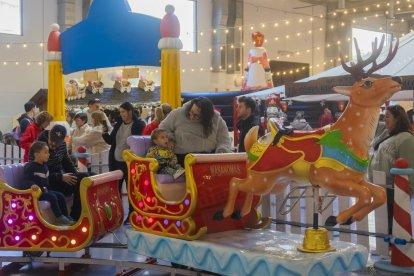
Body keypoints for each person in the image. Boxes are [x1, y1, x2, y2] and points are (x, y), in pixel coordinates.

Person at [367, 104, 414, 235]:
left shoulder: (406, 138)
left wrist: (410, 188)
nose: (385, 119)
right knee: (384, 220)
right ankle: (387, 246)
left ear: (397, 118)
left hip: (395, 188)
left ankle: (393, 247)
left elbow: (410, 165)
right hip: (381, 186)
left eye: (387, 116)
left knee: (393, 221)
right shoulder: (387, 134)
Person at [31, 124, 91, 221]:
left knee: (89, 176)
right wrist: (60, 177)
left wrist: (75, 173)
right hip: (50, 182)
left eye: (58, 142)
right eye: (52, 140)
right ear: (49, 133)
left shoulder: (62, 144)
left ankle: (82, 213)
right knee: (82, 179)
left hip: (60, 177)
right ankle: (75, 215)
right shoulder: (38, 147)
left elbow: (66, 161)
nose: (54, 144)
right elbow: (38, 173)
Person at [102, 101, 146, 225]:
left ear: (130, 111)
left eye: (124, 112)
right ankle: (117, 213)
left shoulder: (139, 124)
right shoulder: (118, 124)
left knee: (131, 189)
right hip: (116, 161)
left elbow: (140, 143)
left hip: (130, 162)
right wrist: (104, 133)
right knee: (115, 189)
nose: (122, 114)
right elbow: (111, 141)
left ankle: (132, 214)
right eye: (120, 112)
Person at [159, 97, 233, 166]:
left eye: (196, 116)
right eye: (191, 112)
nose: (192, 116)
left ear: (206, 117)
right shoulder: (177, 113)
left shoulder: (216, 120)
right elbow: (162, 128)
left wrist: (222, 151)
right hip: (182, 157)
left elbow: (224, 140)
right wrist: (170, 139)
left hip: (207, 158)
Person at [23, 141, 75, 225]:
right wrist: (32, 185)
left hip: (45, 191)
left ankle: (66, 217)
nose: (48, 154)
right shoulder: (30, 166)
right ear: (37, 154)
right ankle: (59, 218)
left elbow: (46, 181)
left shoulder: (45, 166)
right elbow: (26, 180)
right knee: (52, 197)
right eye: (45, 152)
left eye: (48, 152)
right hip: (36, 193)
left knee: (60, 195)